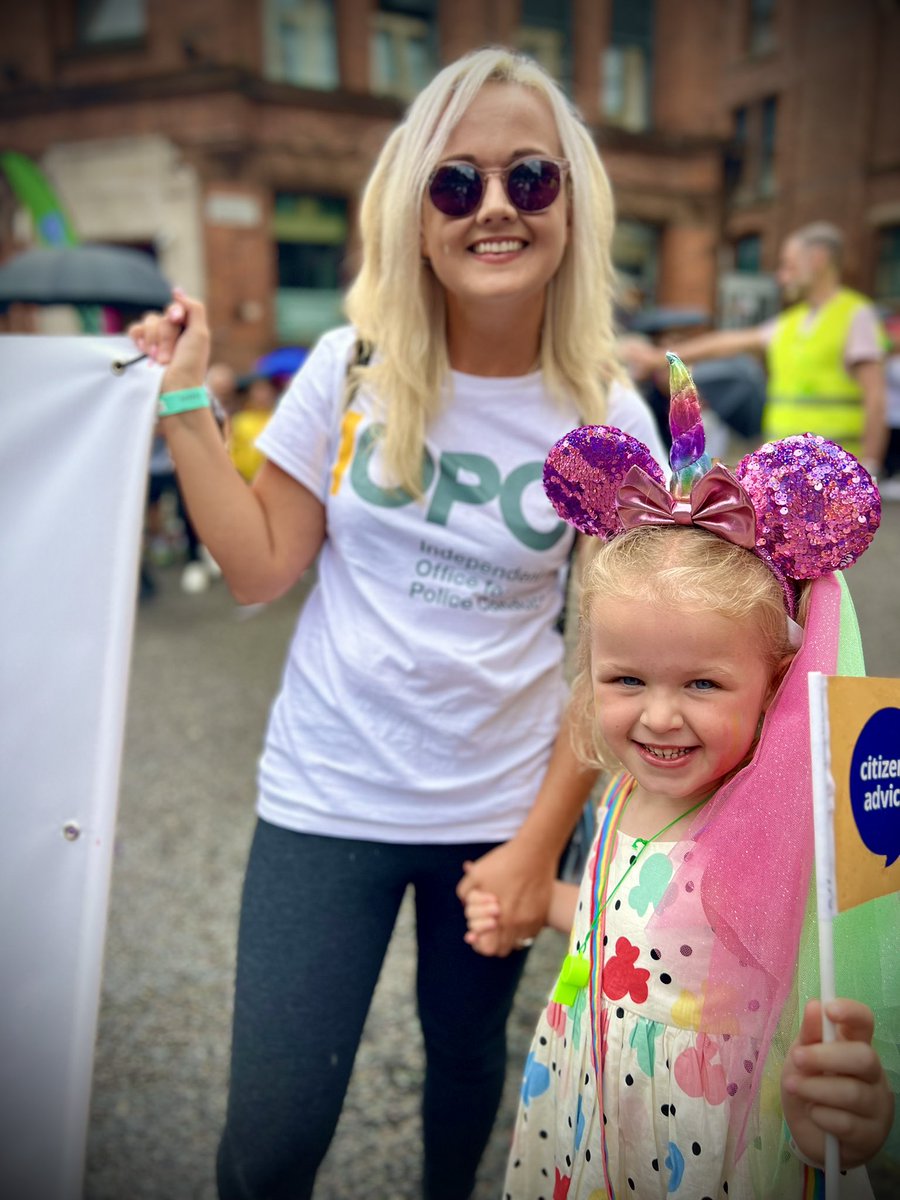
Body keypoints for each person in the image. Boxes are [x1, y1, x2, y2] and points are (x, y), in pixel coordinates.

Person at [127, 47, 666, 1200]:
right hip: (328, 796)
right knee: (272, 1139)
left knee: (465, 1067)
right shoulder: (351, 369)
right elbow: (258, 569)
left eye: (529, 176)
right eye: (454, 183)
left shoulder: (609, 417)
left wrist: (537, 850)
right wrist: (183, 402)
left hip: (501, 809)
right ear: (415, 215)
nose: (493, 208)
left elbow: (618, 668)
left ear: (573, 203)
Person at [463, 356, 898, 1197]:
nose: (659, 717)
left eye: (701, 684)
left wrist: (856, 1113)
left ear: (775, 681)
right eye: (627, 680)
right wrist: (534, 903)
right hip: (591, 1118)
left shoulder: (793, 830)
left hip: (712, 1140)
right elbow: (633, 926)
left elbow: (853, 996)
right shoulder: (626, 793)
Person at [624, 222, 888, 475]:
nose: (782, 277)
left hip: (835, 472)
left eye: (789, 266)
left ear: (818, 259)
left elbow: (876, 398)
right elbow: (725, 343)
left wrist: (870, 465)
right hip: (786, 467)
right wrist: (659, 358)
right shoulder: (792, 322)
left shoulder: (855, 315)